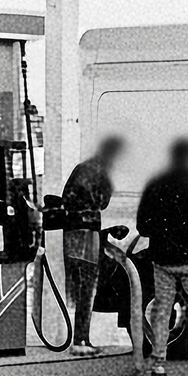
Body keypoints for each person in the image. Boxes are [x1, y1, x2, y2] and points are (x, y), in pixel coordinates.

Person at [136, 137, 188, 376]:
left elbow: (143, 225)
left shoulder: (154, 185)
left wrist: (162, 239)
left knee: (161, 312)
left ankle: (158, 364)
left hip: (163, 260)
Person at [61, 135, 123, 356]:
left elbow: (68, 198)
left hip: (75, 232)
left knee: (81, 287)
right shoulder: (101, 172)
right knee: (87, 287)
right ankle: (81, 338)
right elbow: (101, 202)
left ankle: (81, 337)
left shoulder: (83, 168)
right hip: (87, 234)